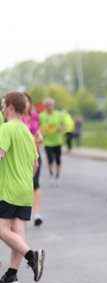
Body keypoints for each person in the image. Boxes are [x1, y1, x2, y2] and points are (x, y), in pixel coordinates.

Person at [0, 91, 46, 283]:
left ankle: (31, 256)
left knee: (1, 229)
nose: (1, 109)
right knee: (18, 231)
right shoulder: (27, 131)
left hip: (9, 188)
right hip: (25, 188)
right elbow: (35, 164)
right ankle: (12, 274)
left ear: (10, 107)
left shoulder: (6, 128)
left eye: (3, 105)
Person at [22, 92, 44, 227]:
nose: (25, 103)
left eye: (27, 101)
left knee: (35, 183)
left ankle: (37, 214)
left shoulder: (35, 116)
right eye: (22, 101)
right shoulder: (15, 118)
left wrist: (40, 136)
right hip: (21, 156)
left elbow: (39, 131)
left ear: (30, 103)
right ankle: (23, 213)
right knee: (24, 185)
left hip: (35, 153)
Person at [39, 97, 66, 186]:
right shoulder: (42, 116)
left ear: (53, 105)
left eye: (50, 105)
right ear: (44, 106)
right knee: (50, 159)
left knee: (58, 160)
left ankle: (57, 176)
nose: (48, 107)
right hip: (47, 142)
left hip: (57, 141)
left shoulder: (58, 114)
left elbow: (65, 125)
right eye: (46, 105)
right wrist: (41, 132)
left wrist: (61, 128)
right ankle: (51, 175)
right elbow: (38, 127)